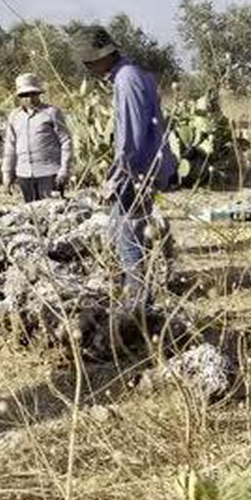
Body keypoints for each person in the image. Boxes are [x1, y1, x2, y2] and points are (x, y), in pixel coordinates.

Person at [70, 25, 177, 314]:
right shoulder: (130, 75)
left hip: (136, 173)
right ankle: (139, 300)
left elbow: (131, 138)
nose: (88, 68)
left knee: (128, 237)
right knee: (124, 232)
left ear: (102, 57)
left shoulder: (127, 80)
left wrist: (115, 179)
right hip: (141, 171)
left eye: (89, 61)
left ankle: (136, 306)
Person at [1, 72, 73, 203]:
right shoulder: (14, 116)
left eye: (32, 94)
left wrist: (64, 170)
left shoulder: (51, 113)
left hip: (49, 173)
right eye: (24, 95)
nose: (29, 98)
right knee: (30, 212)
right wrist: (7, 174)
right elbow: (10, 146)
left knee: (52, 212)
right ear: (19, 96)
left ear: (38, 94)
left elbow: (65, 141)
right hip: (24, 174)